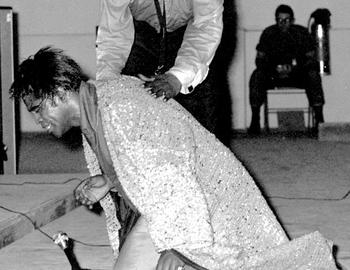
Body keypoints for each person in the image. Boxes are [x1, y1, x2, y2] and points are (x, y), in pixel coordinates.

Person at [10, 47, 339, 270]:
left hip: (201, 207)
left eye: (38, 109)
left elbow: (174, 176)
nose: (37, 120)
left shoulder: (120, 109)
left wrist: (182, 247)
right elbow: (140, 161)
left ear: (58, 92)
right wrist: (109, 180)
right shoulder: (99, 104)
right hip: (167, 209)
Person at [96, 0, 226, 140]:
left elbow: (206, 25)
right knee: (127, 110)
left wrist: (179, 77)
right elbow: (113, 37)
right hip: (139, 31)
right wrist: (105, 83)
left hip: (193, 30)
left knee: (205, 120)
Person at [248, 4, 325, 135]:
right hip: (273, 75)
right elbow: (259, 60)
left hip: (297, 74)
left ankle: (319, 120)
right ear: (276, 20)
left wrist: (295, 68)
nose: (283, 23)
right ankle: (255, 119)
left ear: (293, 20)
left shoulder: (301, 33)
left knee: (313, 75)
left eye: (287, 20)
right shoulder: (268, 33)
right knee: (257, 75)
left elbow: (311, 60)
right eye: (280, 20)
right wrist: (274, 68)